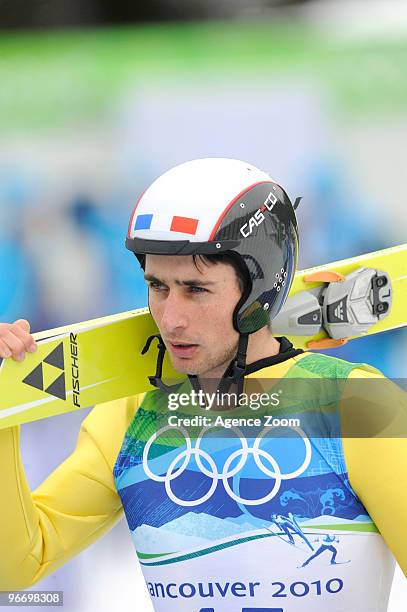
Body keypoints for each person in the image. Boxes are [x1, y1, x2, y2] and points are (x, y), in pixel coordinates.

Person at [0, 158, 405, 612]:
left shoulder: (359, 404)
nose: (170, 318)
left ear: (259, 290)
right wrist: (3, 413)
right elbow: (16, 566)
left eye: (196, 289)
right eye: (158, 287)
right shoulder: (133, 414)